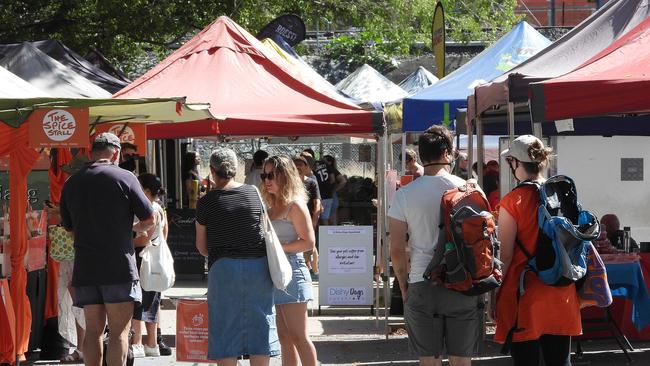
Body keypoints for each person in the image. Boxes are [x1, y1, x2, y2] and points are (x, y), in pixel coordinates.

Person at [60, 132, 155, 366]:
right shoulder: (125, 177)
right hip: (118, 267)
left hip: (86, 268)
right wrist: (131, 229)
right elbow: (150, 218)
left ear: (92, 153)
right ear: (116, 152)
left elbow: (69, 228)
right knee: (119, 333)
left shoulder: (72, 182)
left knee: (93, 331)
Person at [389, 125, 478, 366]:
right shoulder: (469, 189)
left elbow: (396, 249)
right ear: (448, 154)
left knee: (429, 361)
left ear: (420, 156)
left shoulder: (404, 195)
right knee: (462, 361)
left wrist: (404, 286)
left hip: (422, 281)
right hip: (463, 283)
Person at [495, 135, 580, 366]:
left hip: (526, 294)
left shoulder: (512, 202)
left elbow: (505, 255)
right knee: (560, 361)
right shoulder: (561, 195)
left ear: (515, 162)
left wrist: (495, 295)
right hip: (562, 289)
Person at [195, 148, 279, 366]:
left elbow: (202, 246)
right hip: (259, 268)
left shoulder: (206, 202)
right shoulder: (253, 192)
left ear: (212, 171)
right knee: (260, 325)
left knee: (224, 328)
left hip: (223, 268)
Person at [260, 155, 317, 366]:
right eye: (264, 175)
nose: (267, 180)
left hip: (293, 271)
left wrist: (277, 249)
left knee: (299, 337)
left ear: (285, 176)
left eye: (272, 175)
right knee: (284, 338)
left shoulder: (295, 206)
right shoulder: (269, 207)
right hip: (275, 273)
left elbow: (308, 242)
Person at [130, 173, 168, 358]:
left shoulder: (149, 208)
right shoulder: (160, 208)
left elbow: (144, 239)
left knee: (137, 302)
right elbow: (164, 235)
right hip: (154, 261)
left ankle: (136, 343)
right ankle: (152, 344)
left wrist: (126, 242)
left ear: (145, 190)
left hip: (142, 260)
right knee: (152, 302)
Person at [293, 152, 322, 279]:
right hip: (293, 220)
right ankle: (307, 268)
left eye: (301, 164)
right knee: (299, 244)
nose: (298, 167)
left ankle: (315, 270)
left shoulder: (311, 182)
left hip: (308, 219)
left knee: (311, 245)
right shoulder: (289, 183)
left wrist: (314, 219)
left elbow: (317, 202)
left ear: (306, 167)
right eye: (296, 165)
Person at [322, 155, 347, 225]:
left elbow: (343, 181)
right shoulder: (330, 170)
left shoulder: (332, 170)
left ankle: (332, 234)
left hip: (330, 196)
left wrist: (334, 190)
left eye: (324, 161)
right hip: (331, 196)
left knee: (330, 218)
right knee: (331, 218)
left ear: (329, 162)